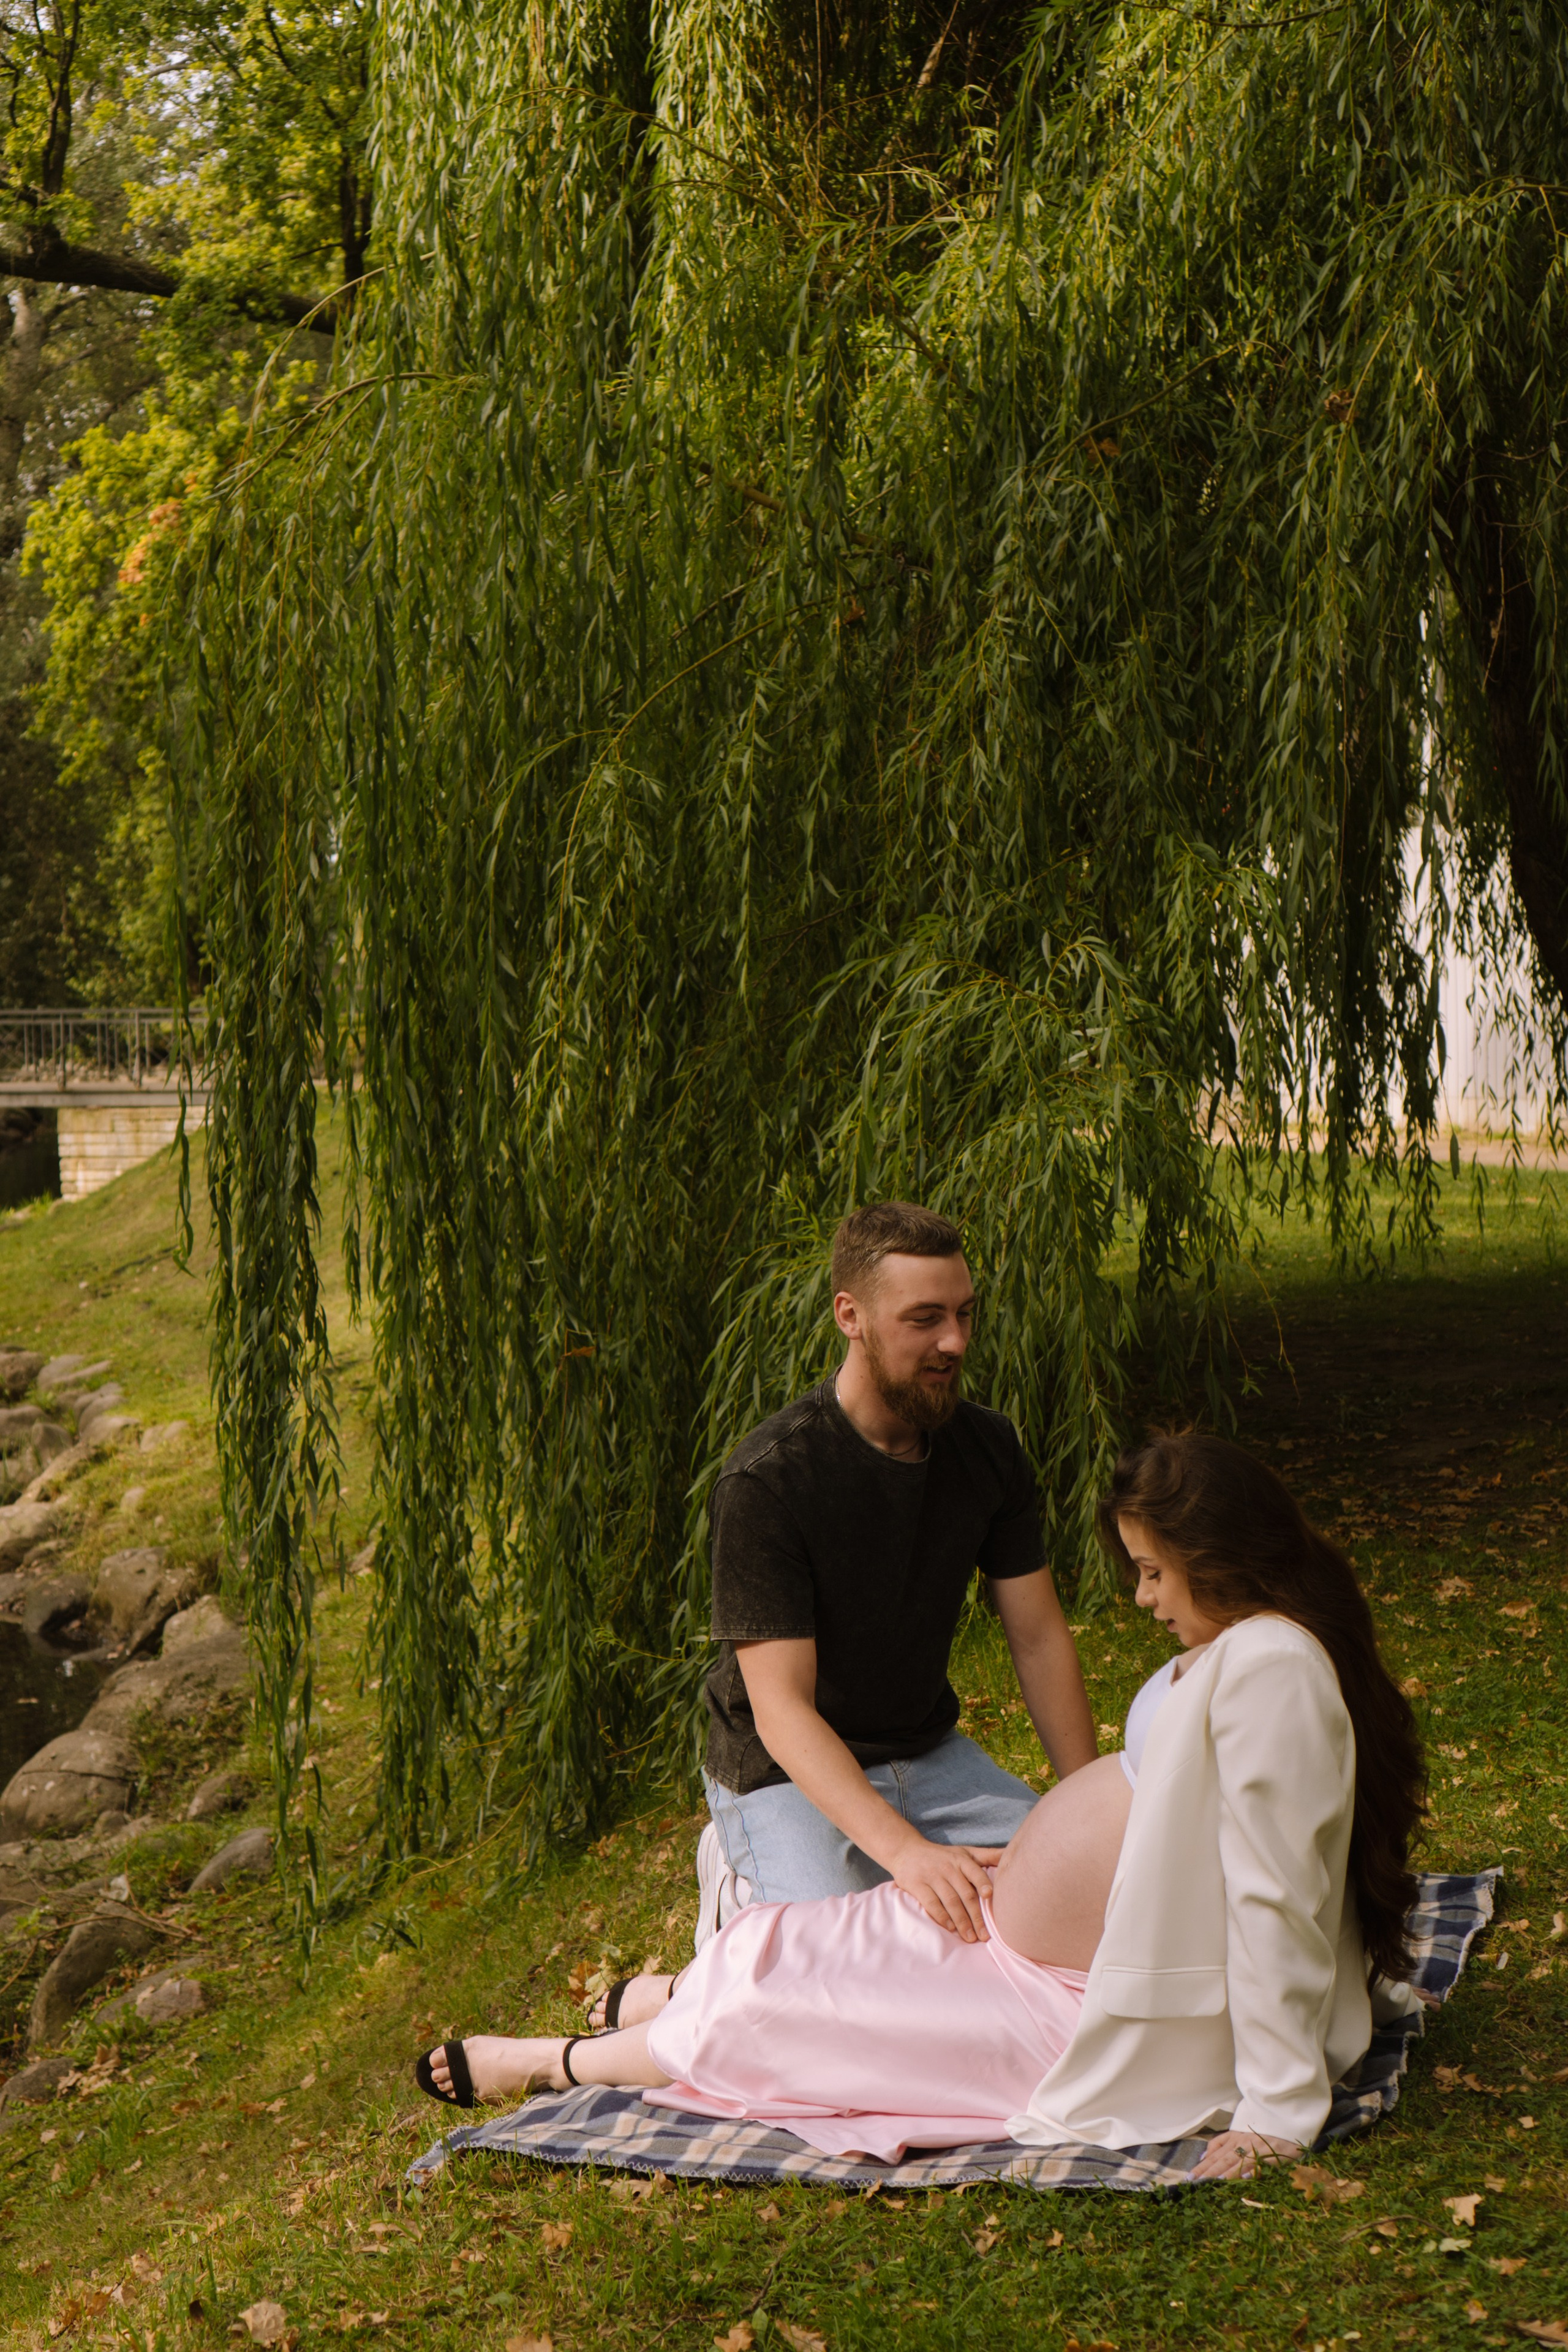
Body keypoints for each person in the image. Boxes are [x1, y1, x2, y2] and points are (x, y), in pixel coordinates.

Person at [415, 1431, 1427, 2180]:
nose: (1141, 1598)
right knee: (805, 1945)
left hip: (1077, 2010)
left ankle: (554, 2064)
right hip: (1036, 1948)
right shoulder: (1245, 1648)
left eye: (1157, 1571)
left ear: (1227, 1558)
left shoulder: (1275, 1672)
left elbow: (1278, 1898)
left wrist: (1279, 2111)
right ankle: (672, 1998)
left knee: (786, 2015)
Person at [688, 1199, 1098, 1958]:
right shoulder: (768, 1480)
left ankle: (880, 1858)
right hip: (783, 1772)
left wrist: (1094, 1810)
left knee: (1088, 1893)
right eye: (925, 1319)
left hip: (928, 1754)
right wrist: (907, 1854)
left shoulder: (987, 1448)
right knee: (852, 1966)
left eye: (966, 1315)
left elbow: (1038, 1638)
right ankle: (739, 1886)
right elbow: (780, 1711)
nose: (954, 1342)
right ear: (851, 1314)